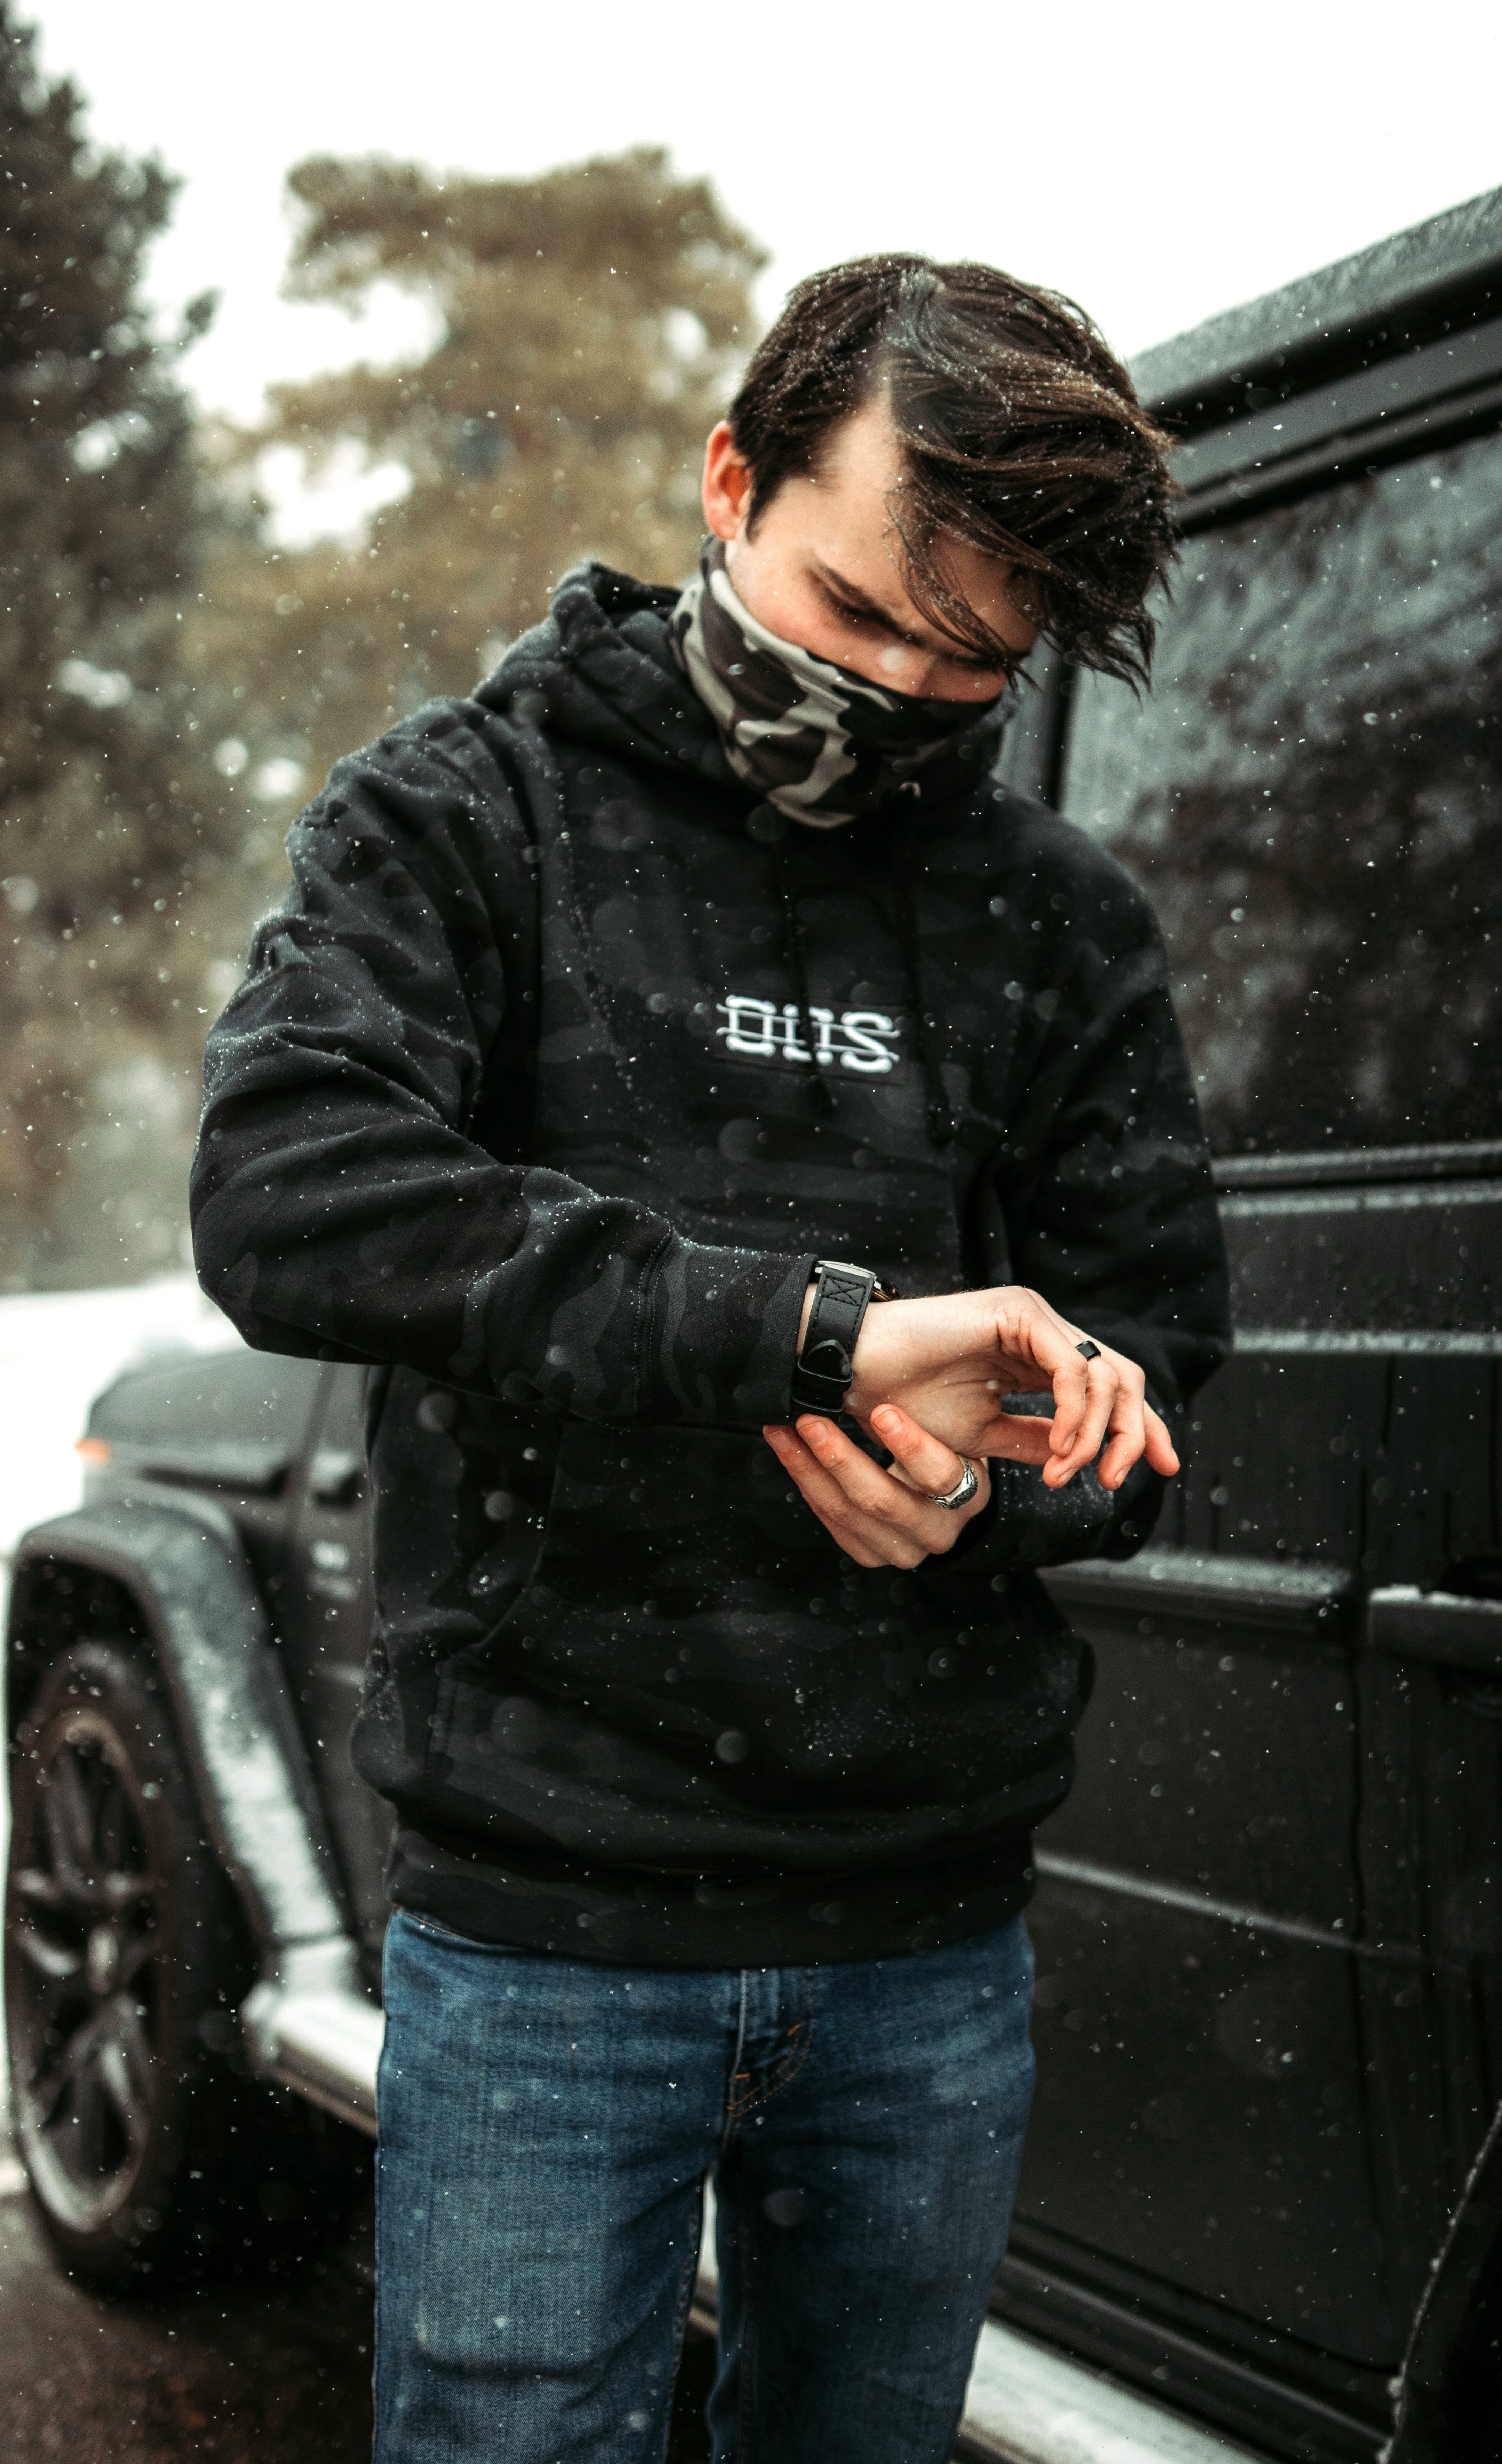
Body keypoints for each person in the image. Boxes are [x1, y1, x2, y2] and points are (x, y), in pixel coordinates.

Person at [191, 254, 1231, 2464]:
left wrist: (1000, 1471)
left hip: (928, 1944)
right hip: (552, 1929)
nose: (898, 692)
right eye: (858, 614)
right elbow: (288, 1190)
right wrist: (805, 1338)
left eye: (971, 663)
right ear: (730, 478)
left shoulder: (1063, 922)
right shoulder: (466, 816)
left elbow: (1148, 1385)